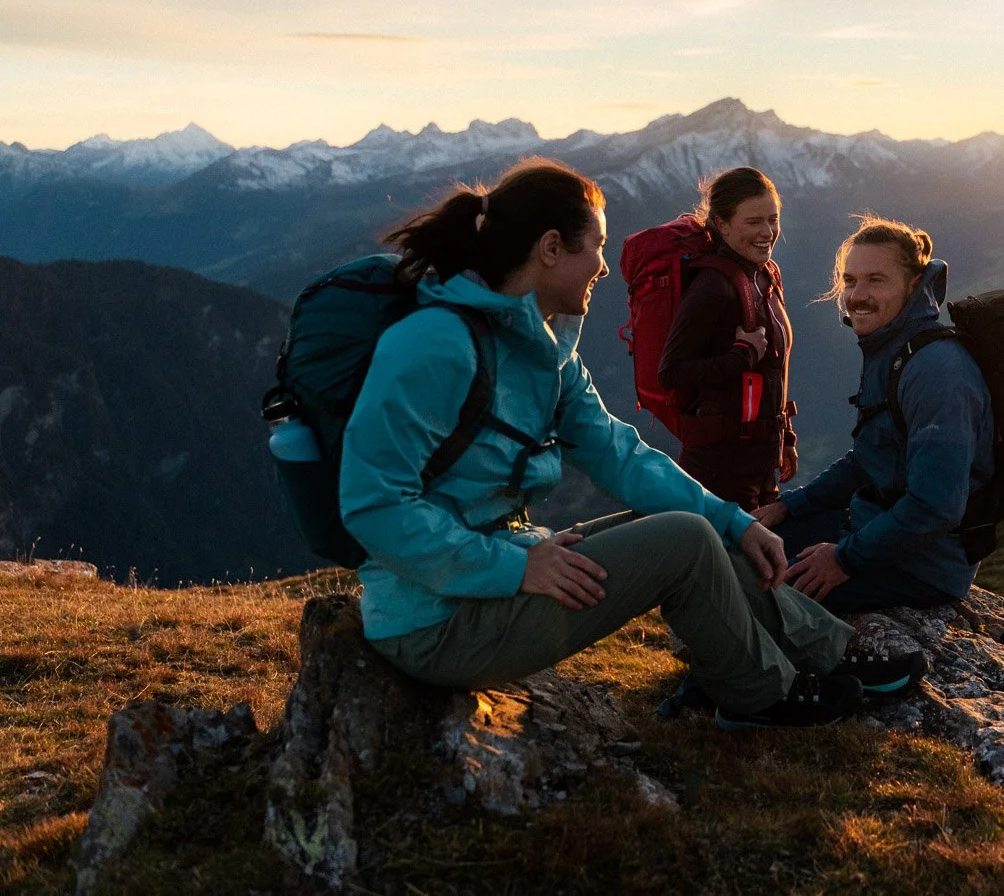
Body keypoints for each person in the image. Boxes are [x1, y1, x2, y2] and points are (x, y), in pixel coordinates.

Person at [339, 158, 921, 729]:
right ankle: (762, 696)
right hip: (435, 624)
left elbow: (617, 451)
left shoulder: (543, 347)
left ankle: (828, 652)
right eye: (594, 247)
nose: (602, 267)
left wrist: (734, 521)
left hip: (492, 578)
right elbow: (373, 504)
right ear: (549, 249)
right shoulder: (435, 344)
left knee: (710, 525)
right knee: (686, 539)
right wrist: (512, 568)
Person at [754, 216, 994, 613]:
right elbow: (870, 460)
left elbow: (936, 505)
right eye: (850, 281)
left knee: (762, 594)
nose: (857, 295)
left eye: (876, 280)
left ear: (914, 285)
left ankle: (872, 675)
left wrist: (844, 559)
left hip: (924, 566)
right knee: (747, 548)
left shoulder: (937, 371)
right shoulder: (894, 349)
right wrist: (790, 507)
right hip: (873, 527)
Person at [657, 167, 797, 510]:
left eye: (773, 219)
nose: (768, 232)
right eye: (753, 222)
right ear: (722, 224)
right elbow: (671, 372)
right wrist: (740, 356)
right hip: (720, 472)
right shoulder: (713, 287)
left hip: (759, 465)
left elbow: (774, 369)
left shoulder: (764, 276)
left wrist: (786, 437)